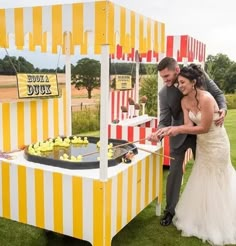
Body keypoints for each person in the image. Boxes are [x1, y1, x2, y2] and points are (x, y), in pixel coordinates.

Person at [154, 64, 236, 245]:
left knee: (215, 175)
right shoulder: (166, 95)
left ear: (177, 71)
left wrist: (223, 108)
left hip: (211, 139)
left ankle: (218, 216)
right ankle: (170, 211)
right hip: (186, 135)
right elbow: (167, 121)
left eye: (167, 76)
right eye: (163, 78)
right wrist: (163, 131)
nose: (166, 81)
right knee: (179, 172)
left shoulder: (198, 79)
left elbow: (219, 96)